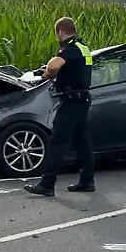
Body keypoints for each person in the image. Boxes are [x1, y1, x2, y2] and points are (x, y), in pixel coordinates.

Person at [24, 17, 96, 197]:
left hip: (72, 101)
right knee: (81, 142)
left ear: (59, 32)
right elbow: (73, 69)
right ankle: (87, 181)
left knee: (57, 141)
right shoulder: (82, 47)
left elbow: (55, 65)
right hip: (82, 98)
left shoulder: (69, 47)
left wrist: (46, 73)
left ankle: (47, 184)